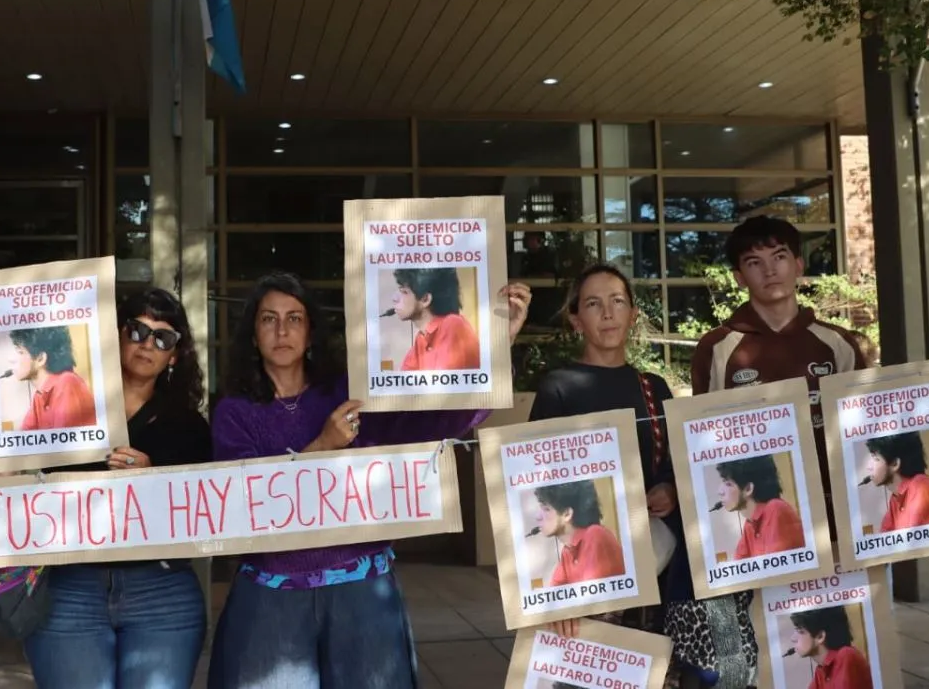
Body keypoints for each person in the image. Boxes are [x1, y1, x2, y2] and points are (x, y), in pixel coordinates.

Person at [208, 271, 530, 688]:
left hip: (361, 588)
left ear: (311, 333)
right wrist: (323, 445)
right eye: (269, 319)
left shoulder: (350, 390)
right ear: (253, 335)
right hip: (270, 595)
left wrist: (495, 348)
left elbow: (433, 424)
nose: (282, 329)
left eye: (295, 318)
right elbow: (241, 503)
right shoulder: (234, 411)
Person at [0, 287, 212, 689]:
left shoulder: (190, 425)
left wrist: (153, 477)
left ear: (175, 354)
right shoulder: (65, 403)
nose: (147, 344)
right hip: (70, 585)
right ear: (114, 334)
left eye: (163, 337)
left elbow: (204, 514)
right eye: (137, 330)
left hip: (162, 589)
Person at [675, 216, 867, 689]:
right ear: (740, 277)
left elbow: (859, 440)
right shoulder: (718, 348)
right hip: (750, 536)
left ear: (799, 264)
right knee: (755, 657)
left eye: (780, 257)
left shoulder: (842, 345)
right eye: (754, 263)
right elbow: (706, 447)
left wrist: (857, 530)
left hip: (828, 530)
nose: (770, 271)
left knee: (816, 656)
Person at [528, 264, 685, 683]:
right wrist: (554, 593)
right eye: (594, 304)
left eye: (618, 302)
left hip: (652, 564)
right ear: (576, 319)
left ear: (633, 314)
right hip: (581, 573)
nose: (608, 313)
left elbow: (673, 461)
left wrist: (669, 487)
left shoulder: (655, 387)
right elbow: (536, 485)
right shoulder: (558, 388)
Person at [534, 481, 626, 585]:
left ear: (567, 514)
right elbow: (553, 594)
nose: (538, 516)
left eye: (546, 509)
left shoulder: (595, 535)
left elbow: (593, 598)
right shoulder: (567, 551)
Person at [7, 325, 98, 430]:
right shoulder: (39, 396)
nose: (11, 359)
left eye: (20, 352)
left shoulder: (67, 383)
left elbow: (63, 444)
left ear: (41, 358)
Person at [714, 456, 805, 559]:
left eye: (728, 484)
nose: (720, 492)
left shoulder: (776, 509)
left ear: (748, 489)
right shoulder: (749, 524)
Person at [392, 267, 482, 371]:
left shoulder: (453, 325)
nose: (394, 298)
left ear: (425, 299)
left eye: (404, 292)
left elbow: (444, 384)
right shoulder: (421, 338)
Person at [865, 433, 929, 532]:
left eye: (875, 459)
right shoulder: (895, 499)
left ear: (895, 464)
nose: (868, 467)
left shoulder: (921, 487)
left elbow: (909, 543)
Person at [789, 607, 873, 689]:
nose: (793, 638)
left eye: (800, 631)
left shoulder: (846, 656)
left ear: (820, 636)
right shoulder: (821, 670)